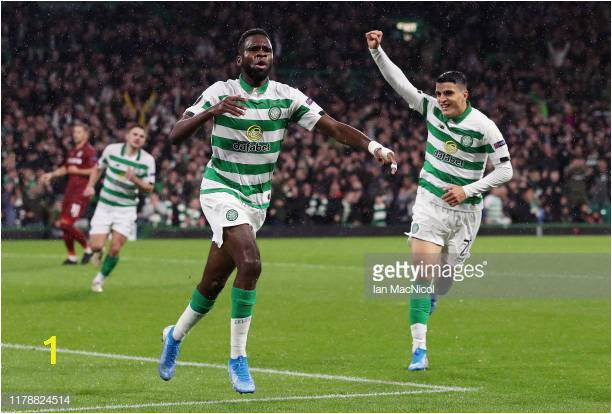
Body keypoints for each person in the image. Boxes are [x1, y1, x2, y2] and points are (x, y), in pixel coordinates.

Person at [158, 28, 397, 394]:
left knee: (213, 282)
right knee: (251, 264)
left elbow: (332, 126)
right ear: (240, 59)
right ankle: (238, 357)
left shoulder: (286, 97)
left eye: (266, 49)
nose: (261, 53)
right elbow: (175, 134)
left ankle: (174, 336)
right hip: (221, 188)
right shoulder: (220, 91)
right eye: (253, 49)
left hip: (256, 200)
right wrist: (213, 112)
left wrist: (373, 146)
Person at [366, 30, 513, 371]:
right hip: (430, 205)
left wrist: (468, 189)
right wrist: (377, 52)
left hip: (465, 213)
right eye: (439, 93)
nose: (442, 99)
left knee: (444, 280)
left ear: (466, 94)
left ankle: (434, 295)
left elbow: (505, 172)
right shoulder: (431, 110)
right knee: (422, 274)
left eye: (448, 93)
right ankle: (419, 349)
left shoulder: (484, 126)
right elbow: (399, 83)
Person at [83, 124, 156, 293]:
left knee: (115, 247)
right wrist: (90, 186)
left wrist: (135, 179)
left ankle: (99, 279)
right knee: (95, 246)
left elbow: (149, 188)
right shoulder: (111, 150)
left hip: (126, 209)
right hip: (105, 206)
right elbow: (98, 168)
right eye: (135, 134)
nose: (138, 138)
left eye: (141, 136)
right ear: (127, 136)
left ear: (144, 141)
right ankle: (97, 251)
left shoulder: (147, 160)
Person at [40, 122, 97, 265]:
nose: (75, 134)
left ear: (86, 134)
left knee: (66, 223)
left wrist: (77, 171)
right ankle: (72, 256)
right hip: (69, 192)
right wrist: (51, 175)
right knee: (63, 224)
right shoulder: (72, 151)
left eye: (78, 132)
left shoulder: (89, 151)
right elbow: (66, 168)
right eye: (74, 132)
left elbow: (95, 170)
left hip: (80, 193)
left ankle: (88, 248)